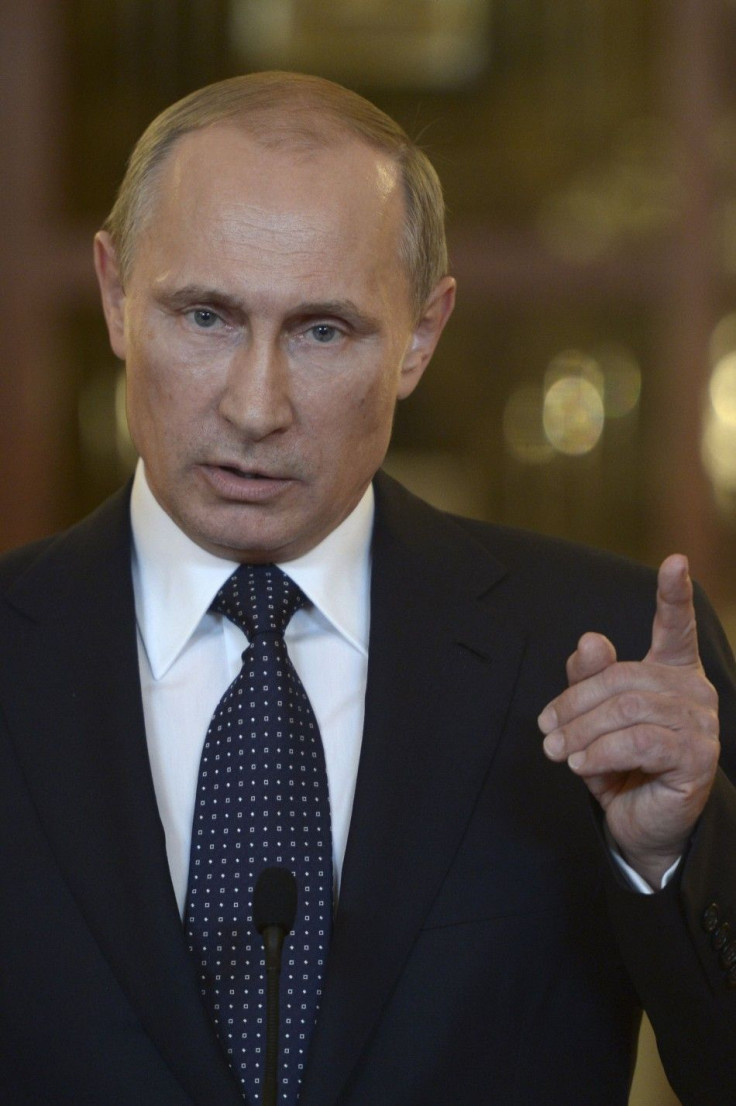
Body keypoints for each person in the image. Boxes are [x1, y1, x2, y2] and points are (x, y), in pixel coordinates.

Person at [1, 71, 735, 1106]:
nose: (256, 406)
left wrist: (673, 857)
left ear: (421, 337)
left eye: (322, 331)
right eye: (206, 315)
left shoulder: (603, 650)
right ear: (116, 295)